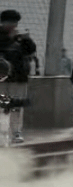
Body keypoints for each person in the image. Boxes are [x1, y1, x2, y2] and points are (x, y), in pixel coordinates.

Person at [0, 9, 37, 144]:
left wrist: (26, 40)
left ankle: (16, 132)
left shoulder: (20, 38)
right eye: (10, 23)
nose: (13, 26)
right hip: (3, 79)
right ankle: (2, 132)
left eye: (15, 23)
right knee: (2, 105)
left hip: (19, 78)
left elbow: (31, 50)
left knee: (17, 106)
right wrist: (10, 38)